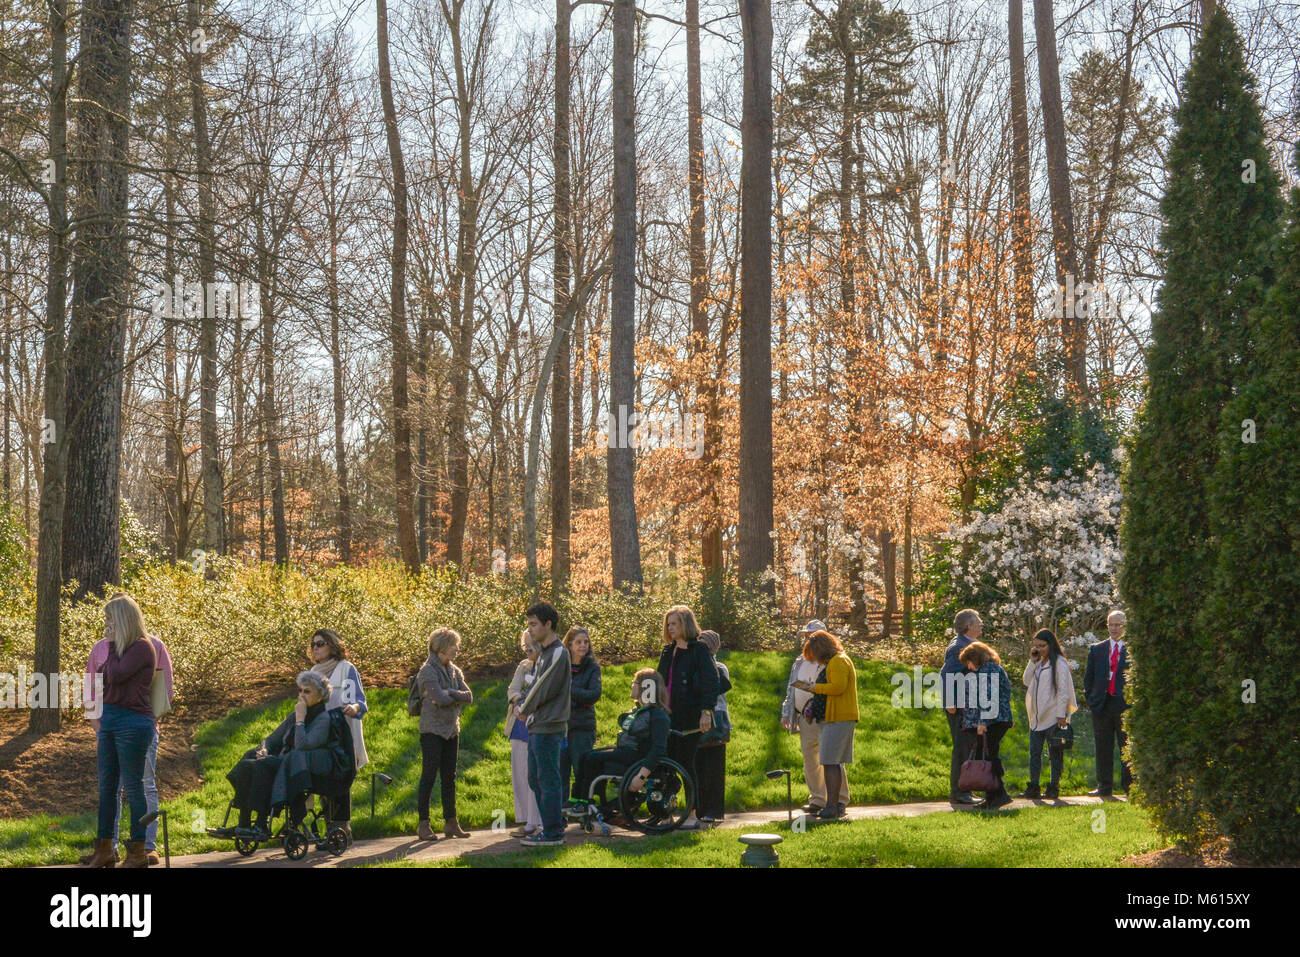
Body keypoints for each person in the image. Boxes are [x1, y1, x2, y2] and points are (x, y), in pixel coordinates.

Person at [80, 601, 173, 867]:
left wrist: (109, 649)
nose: (106, 625)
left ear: (122, 619)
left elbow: (116, 674)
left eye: (110, 619)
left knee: (135, 787)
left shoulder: (142, 646)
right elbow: (99, 678)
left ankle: (138, 851)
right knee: (107, 787)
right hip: (109, 718)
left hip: (133, 722)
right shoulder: (114, 647)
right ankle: (105, 847)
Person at [219, 670, 355, 841]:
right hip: (281, 760)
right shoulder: (295, 714)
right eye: (300, 690)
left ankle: (261, 825)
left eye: (307, 691)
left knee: (262, 766)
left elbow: (302, 745)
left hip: (298, 766)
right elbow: (271, 739)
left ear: (320, 695)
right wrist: (264, 749)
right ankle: (243, 824)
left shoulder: (324, 719)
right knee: (249, 761)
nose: (302, 695)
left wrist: (300, 719)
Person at [567, 669, 671, 811]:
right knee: (586, 756)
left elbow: (658, 749)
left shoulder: (657, 715)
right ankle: (578, 799)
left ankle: (585, 801)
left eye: (634, 682)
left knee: (592, 759)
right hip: (628, 751)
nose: (632, 685)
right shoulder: (639, 711)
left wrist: (641, 776)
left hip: (638, 756)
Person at [655, 604, 718, 829]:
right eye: (668, 624)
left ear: (686, 624)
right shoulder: (667, 651)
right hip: (665, 716)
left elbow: (711, 681)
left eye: (675, 623)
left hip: (689, 716)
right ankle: (665, 812)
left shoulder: (698, 650)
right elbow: (659, 681)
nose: (670, 628)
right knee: (665, 766)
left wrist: (706, 712)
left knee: (685, 764)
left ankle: (691, 814)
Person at [516, 601, 571, 847]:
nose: (531, 629)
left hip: (550, 726)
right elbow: (532, 684)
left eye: (534, 624)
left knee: (548, 779)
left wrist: (523, 708)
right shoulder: (542, 654)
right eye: (529, 624)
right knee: (535, 779)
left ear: (548, 625)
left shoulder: (558, 652)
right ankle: (549, 827)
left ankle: (552, 832)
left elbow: (542, 687)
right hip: (537, 726)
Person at [781, 619, 849, 814]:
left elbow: (835, 687)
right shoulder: (799, 661)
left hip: (826, 715)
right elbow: (791, 689)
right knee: (810, 759)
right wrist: (787, 712)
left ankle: (840, 799)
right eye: (807, 635)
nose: (808, 639)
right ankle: (818, 799)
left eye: (813, 635)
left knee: (833, 759)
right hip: (805, 716)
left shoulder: (833, 661)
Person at [308, 628, 368, 845]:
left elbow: (360, 702)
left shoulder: (346, 669)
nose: (316, 647)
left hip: (343, 737)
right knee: (324, 783)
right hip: (321, 738)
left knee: (339, 784)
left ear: (332, 645)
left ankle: (342, 830)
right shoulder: (314, 672)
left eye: (320, 643)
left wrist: (352, 708)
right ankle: (331, 832)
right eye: (313, 644)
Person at [415, 627, 473, 841]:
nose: (457, 649)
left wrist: (450, 692)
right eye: (453, 645)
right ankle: (424, 824)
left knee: (449, 778)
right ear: (441, 647)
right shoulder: (428, 671)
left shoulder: (454, 670)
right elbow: (438, 699)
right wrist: (449, 696)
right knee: (429, 776)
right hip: (432, 730)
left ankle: (451, 822)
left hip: (451, 729)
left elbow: (469, 696)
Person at [1021, 629, 1076, 800]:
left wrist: (1061, 715)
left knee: (1055, 753)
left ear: (1051, 645)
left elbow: (1063, 691)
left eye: (1042, 646)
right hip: (1036, 717)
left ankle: (1053, 786)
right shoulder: (1038, 662)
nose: (1039, 649)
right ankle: (1034, 786)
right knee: (1034, 753)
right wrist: (1032, 661)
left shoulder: (1059, 663)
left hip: (1053, 716)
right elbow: (1026, 680)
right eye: (1036, 646)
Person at [958, 640, 1014, 809]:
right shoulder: (989, 669)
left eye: (968, 662)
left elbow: (988, 696)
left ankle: (999, 795)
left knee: (989, 755)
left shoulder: (989, 669)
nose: (968, 667)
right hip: (996, 719)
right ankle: (994, 795)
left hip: (993, 721)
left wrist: (982, 722)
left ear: (974, 658)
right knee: (988, 754)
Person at [1084, 610, 1131, 796]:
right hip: (1102, 705)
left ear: (1124, 626)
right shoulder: (1097, 649)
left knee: (1125, 747)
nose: (1114, 628)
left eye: (1118, 625)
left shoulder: (1131, 650)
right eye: (1111, 624)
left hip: (1124, 706)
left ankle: (1129, 787)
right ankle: (1104, 786)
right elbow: (1089, 679)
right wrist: (1092, 700)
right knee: (1103, 747)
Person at [941, 609, 981, 804]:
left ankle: (966, 789)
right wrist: (950, 702)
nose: (981, 624)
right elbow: (947, 675)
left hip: (970, 705)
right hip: (959, 706)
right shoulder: (958, 647)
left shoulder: (970, 645)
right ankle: (958, 792)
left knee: (970, 748)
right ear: (969, 626)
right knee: (962, 748)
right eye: (978, 622)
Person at [505, 629, 542, 838]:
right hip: (519, 725)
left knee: (534, 776)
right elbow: (513, 689)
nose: (528, 648)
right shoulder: (523, 666)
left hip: (538, 725)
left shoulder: (549, 665)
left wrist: (530, 705)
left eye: (532, 644)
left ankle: (537, 821)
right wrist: (519, 702)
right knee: (520, 774)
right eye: (525, 645)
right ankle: (527, 821)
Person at [560, 625, 602, 802]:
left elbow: (593, 695)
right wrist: (578, 695)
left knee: (581, 770)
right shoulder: (561, 666)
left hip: (582, 727)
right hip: (561, 726)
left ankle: (583, 807)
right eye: (578, 642)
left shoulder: (592, 668)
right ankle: (560, 812)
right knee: (561, 772)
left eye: (586, 642)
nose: (583, 646)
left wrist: (569, 690)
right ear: (569, 644)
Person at [695, 630, 732, 823]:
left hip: (715, 718)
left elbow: (718, 687)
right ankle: (700, 808)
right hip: (697, 719)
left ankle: (715, 809)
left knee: (714, 768)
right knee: (699, 767)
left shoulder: (719, 667)